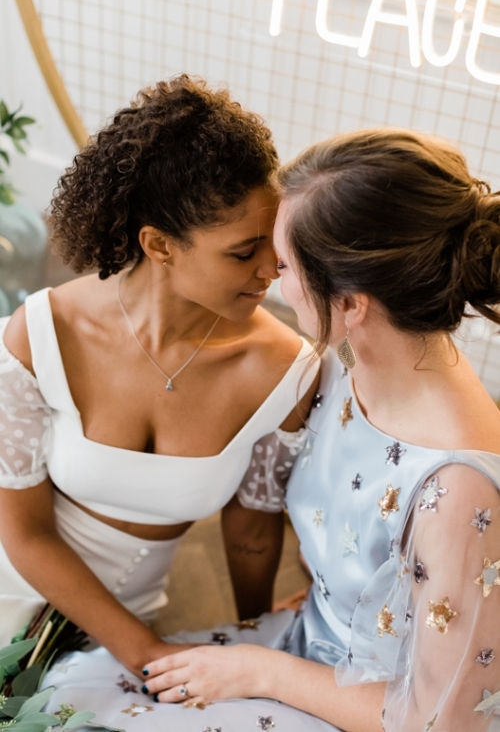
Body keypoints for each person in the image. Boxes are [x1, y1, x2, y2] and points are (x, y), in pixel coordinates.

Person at [43, 128, 500, 732]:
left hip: (370, 710)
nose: (270, 282)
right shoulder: (351, 366)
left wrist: (262, 673)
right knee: (66, 694)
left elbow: (439, 724)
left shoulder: (458, 489)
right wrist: (345, 603)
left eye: (283, 265)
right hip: (309, 644)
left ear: (353, 302)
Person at [0, 76, 320, 671]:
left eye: (273, 245)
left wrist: (252, 636)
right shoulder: (41, 334)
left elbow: (251, 531)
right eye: (242, 251)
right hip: (15, 580)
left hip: (134, 613)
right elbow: (25, 534)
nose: (270, 270)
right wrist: (143, 650)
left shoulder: (284, 371)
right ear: (160, 244)